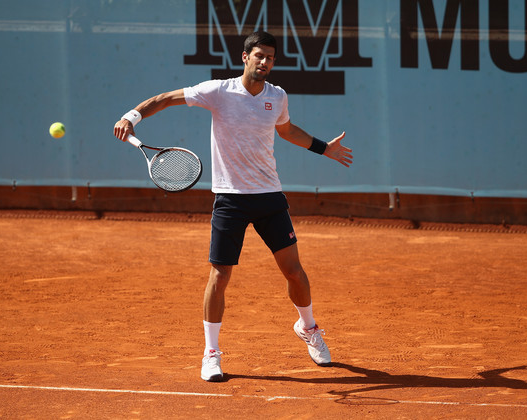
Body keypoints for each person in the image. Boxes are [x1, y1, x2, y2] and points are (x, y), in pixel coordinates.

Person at [114, 31, 353, 382]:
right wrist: (131, 117)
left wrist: (322, 148)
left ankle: (308, 327)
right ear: (245, 57)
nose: (265, 62)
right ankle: (211, 353)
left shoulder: (277, 96)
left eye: (270, 57)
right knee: (220, 276)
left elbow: (286, 131)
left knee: (294, 271)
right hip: (230, 200)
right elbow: (165, 99)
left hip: (269, 196)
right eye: (259, 55)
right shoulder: (218, 92)